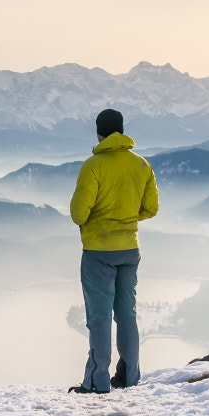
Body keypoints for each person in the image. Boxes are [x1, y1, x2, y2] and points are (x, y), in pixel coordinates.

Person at [67, 107, 159, 394]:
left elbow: (78, 214)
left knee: (100, 318)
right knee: (127, 314)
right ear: (121, 130)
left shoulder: (93, 166)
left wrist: (102, 221)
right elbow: (151, 208)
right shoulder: (142, 165)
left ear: (98, 132)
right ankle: (130, 377)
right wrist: (126, 219)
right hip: (130, 248)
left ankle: (97, 382)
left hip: (98, 250)